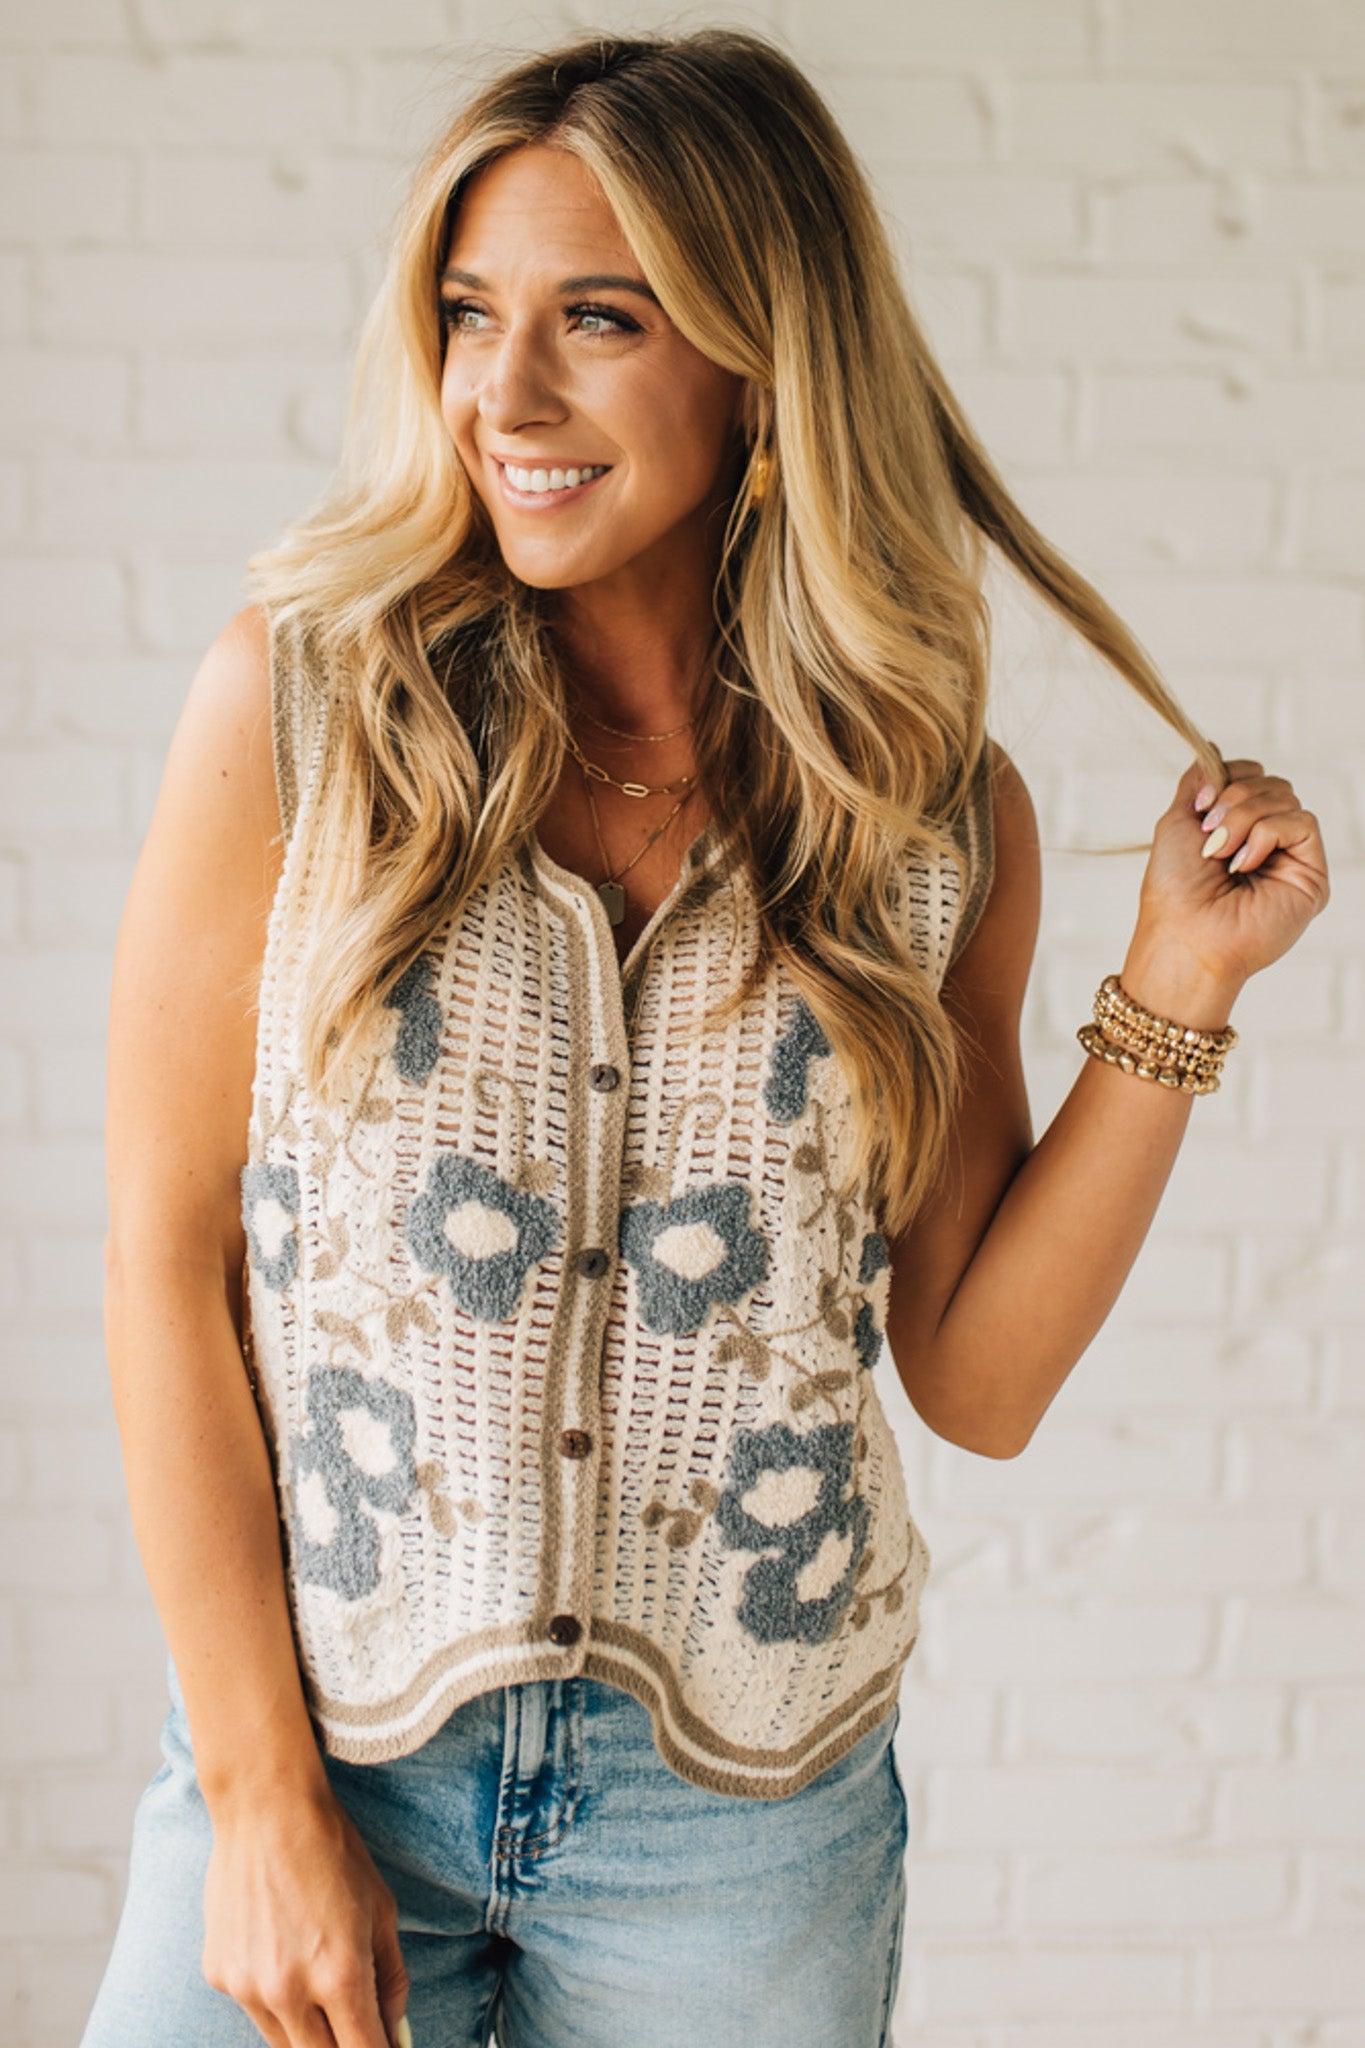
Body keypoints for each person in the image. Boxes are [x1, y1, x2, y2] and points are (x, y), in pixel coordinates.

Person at [80, 27, 1330, 2048]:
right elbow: (166, 1253)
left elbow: (976, 1378)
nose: (504, 394)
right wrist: (255, 1798)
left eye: (600, 318)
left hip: (740, 1834)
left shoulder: (926, 821)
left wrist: (1173, 992)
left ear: (762, 361)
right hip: (328, 1745)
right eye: (467, 313)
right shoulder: (300, 714)